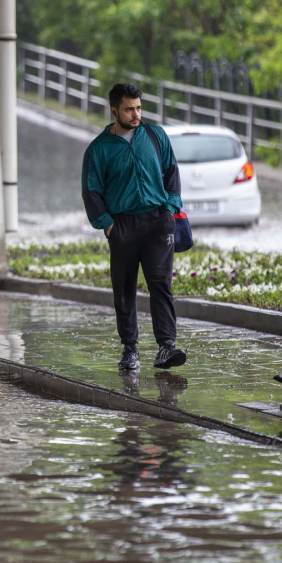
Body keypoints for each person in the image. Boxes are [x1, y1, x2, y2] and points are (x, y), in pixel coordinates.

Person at [81, 82, 187, 371]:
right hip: (123, 225)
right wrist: (108, 226)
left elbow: (171, 173)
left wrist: (170, 208)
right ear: (114, 110)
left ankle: (167, 347)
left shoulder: (155, 135)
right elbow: (91, 191)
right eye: (129, 109)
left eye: (139, 107)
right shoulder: (98, 149)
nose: (136, 114)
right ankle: (130, 349)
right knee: (125, 288)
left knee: (160, 285)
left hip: (157, 222)